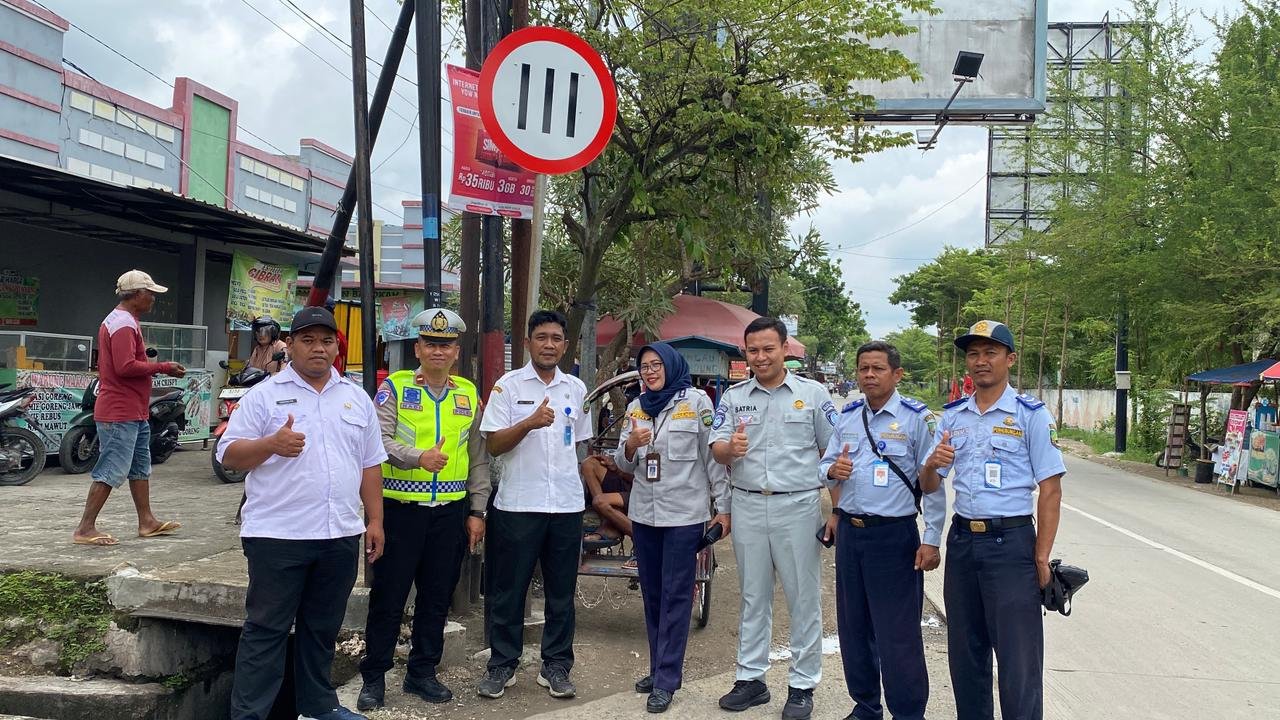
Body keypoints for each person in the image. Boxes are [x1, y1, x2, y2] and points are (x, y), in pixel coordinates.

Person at [218, 306, 387, 720]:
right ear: (289, 345)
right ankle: (250, 715)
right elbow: (228, 455)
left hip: (339, 535)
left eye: (326, 341)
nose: (318, 348)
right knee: (266, 631)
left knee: (322, 628)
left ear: (336, 347)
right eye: (308, 340)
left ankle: (317, 707)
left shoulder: (355, 398)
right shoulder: (264, 395)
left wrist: (376, 520)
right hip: (278, 536)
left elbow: (369, 464)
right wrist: (271, 445)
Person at [919, 320, 1066, 720]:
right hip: (964, 542)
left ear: (1010, 359)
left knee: (1018, 662)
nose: (980, 361)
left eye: (990, 353)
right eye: (973, 354)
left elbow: (1050, 490)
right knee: (966, 654)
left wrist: (1040, 558)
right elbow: (929, 484)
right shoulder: (952, 418)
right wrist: (933, 463)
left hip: (1011, 544)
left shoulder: (1030, 415)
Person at [356, 309, 491, 710]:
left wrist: (477, 511)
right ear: (417, 348)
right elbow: (377, 443)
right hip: (401, 510)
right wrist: (417, 457)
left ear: (455, 351)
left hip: (450, 512)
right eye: (430, 343)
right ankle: (374, 677)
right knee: (389, 596)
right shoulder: (393, 388)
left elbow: (479, 457)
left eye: (445, 344)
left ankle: (421, 673)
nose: (438, 350)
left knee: (436, 596)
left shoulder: (467, 393)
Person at [710, 317, 837, 720]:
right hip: (747, 502)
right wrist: (731, 448)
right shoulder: (733, 397)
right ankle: (751, 679)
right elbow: (716, 449)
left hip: (797, 506)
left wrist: (837, 512)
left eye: (768, 348)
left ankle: (801, 685)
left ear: (785, 349)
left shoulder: (814, 395)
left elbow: (833, 456)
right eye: (753, 350)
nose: (760, 357)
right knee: (753, 594)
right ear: (745, 353)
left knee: (803, 597)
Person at [818, 340, 946, 720]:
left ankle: (908, 712)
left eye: (877, 368)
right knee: (853, 628)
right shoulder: (848, 415)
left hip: (894, 538)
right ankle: (866, 706)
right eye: (863, 369)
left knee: (897, 634)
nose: (869, 375)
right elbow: (824, 464)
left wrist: (931, 539)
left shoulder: (916, 418)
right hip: (852, 536)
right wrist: (831, 473)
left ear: (897, 374)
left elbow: (933, 481)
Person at [476, 310, 592, 700]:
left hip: (565, 505)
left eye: (556, 338)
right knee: (509, 590)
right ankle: (502, 665)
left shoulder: (575, 388)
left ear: (564, 344)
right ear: (527, 342)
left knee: (561, 592)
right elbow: (493, 445)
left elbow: (579, 448)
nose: (548, 344)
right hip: (517, 505)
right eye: (541, 337)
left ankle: (556, 666)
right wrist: (528, 423)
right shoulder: (507, 387)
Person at [614, 342, 731, 713]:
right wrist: (631, 445)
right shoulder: (636, 407)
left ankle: (666, 679)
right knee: (652, 594)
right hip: (645, 517)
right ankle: (657, 668)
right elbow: (623, 462)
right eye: (644, 366)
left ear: (671, 365)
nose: (649, 371)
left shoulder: (697, 403)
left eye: (656, 364)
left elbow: (712, 461)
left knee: (677, 596)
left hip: (683, 516)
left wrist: (723, 509)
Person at [72, 270, 186, 547]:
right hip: (120, 410)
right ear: (137, 295)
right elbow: (125, 367)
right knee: (112, 468)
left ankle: (147, 521)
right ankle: (85, 528)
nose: (153, 299)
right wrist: (162, 367)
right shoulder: (123, 324)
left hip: (132, 409)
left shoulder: (122, 320)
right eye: (150, 293)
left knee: (139, 466)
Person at [581, 449, 634, 544]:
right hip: (624, 477)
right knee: (588, 463)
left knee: (600, 501)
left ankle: (640, 537)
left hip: (641, 489)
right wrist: (614, 464)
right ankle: (608, 522)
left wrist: (620, 471)